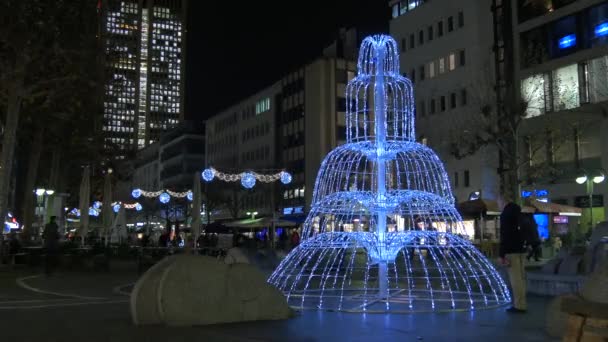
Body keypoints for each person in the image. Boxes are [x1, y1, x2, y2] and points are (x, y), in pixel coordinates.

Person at [499, 202, 527, 313]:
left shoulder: (506, 215)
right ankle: (522, 303)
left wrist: (502, 254)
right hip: (521, 250)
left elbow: (504, 235)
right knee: (521, 278)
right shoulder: (519, 213)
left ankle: (519, 305)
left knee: (515, 280)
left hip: (511, 251)